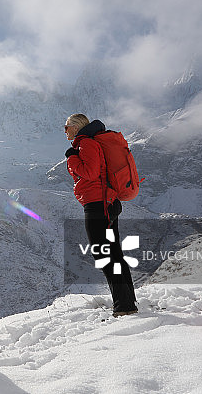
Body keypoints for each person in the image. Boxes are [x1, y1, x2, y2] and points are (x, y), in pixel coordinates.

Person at [65, 113, 137, 317]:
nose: (65, 131)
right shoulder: (87, 143)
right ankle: (127, 301)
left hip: (98, 206)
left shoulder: (86, 144)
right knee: (113, 252)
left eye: (66, 127)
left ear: (76, 127)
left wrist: (71, 158)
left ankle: (124, 305)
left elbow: (90, 172)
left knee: (103, 253)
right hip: (106, 204)